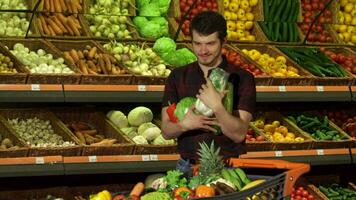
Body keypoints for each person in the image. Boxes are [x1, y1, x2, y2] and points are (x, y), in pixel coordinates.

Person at [160, 11, 256, 172]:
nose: (203, 50)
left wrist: (217, 107)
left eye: (210, 44)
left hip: (227, 168)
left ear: (223, 41)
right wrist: (185, 125)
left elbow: (239, 134)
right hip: (186, 166)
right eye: (197, 43)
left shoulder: (241, 78)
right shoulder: (177, 76)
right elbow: (166, 131)